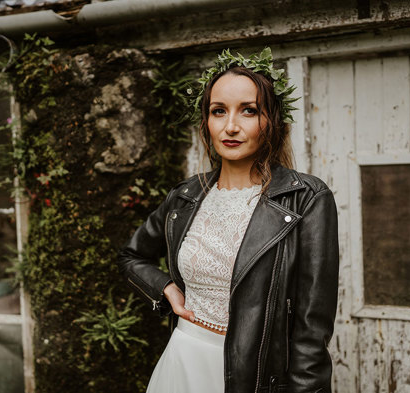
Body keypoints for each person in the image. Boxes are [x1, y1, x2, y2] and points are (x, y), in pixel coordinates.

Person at [117, 48, 339, 393]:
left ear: (273, 121)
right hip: (183, 362)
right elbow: (132, 256)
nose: (231, 126)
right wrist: (166, 289)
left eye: (249, 111)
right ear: (206, 120)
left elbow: (312, 330)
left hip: (256, 378)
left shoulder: (307, 198)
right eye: (218, 111)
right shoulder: (185, 197)